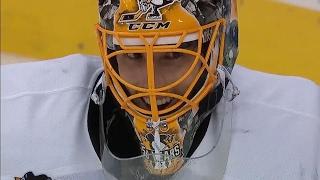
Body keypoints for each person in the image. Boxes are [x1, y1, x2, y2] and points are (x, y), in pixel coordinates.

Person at [1, 0, 319, 180]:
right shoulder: (14, 116)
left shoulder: (304, 131)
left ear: (218, 47)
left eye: (175, 54)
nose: (151, 81)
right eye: (134, 55)